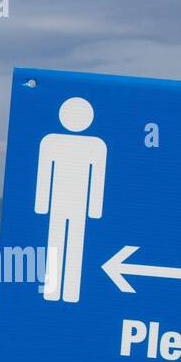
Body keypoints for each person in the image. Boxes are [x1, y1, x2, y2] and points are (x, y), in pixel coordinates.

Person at [34, 96, 107, 303]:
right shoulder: (51, 141)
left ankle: (70, 292)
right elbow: (45, 174)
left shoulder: (96, 145)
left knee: (73, 245)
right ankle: (54, 291)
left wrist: (94, 209)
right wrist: (41, 205)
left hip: (76, 205)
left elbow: (97, 178)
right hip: (63, 204)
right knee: (57, 245)